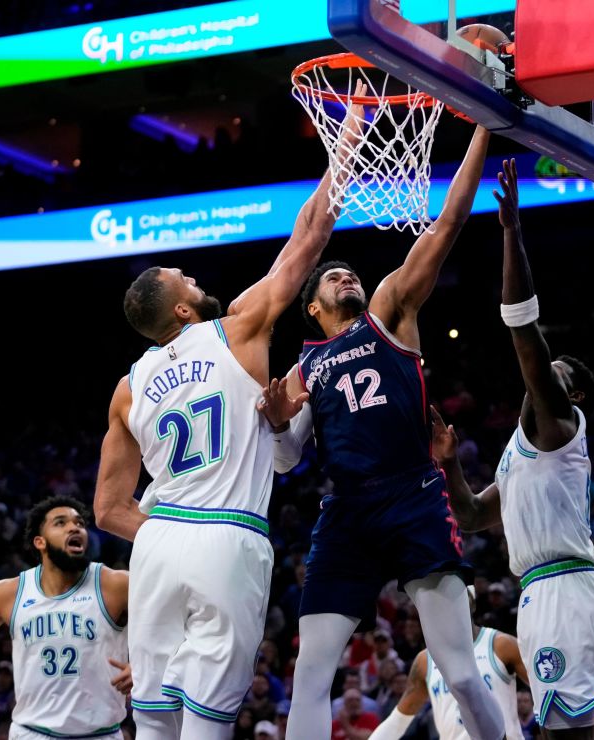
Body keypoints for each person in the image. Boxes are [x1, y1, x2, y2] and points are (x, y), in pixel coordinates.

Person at [92, 88, 369, 740]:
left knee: (154, 725)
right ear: (182, 310)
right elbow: (311, 233)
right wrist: (354, 127)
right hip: (228, 537)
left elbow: (107, 510)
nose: (193, 277)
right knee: (209, 726)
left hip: (158, 546)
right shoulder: (235, 327)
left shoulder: (127, 389)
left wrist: (169, 530)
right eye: (183, 277)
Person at [264, 125, 501, 740]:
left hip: (413, 494)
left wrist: (483, 128)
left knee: (459, 669)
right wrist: (273, 425)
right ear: (311, 308)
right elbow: (288, 461)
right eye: (331, 278)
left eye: (349, 275)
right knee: (312, 668)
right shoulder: (303, 369)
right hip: (346, 511)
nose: (345, 277)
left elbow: (446, 223)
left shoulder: (390, 310)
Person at [435, 158, 594, 737]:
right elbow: (472, 515)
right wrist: (449, 462)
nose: (543, 373)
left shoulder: (562, 424)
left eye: (555, 372)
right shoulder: (520, 448)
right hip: (538, 592)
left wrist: (511, 233)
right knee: (559, 728)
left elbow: (522, 330)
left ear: (574, 393)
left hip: (565, 585)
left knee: (570, 733)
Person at [0, 496, 132, 739]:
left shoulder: (116, 585)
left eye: (79, 523)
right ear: (39, 542)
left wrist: (145, 664)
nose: (75, 527)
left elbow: (168, 624)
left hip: (100, 733)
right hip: (32, 732)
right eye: (60, 523)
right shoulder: (7, 593)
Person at [368, 587, 528, 739]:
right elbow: (399, 720)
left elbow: (543, 690)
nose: (451, 605)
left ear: (472, 604)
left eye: (457, 598)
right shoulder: (425, 661)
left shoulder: (500, 645)